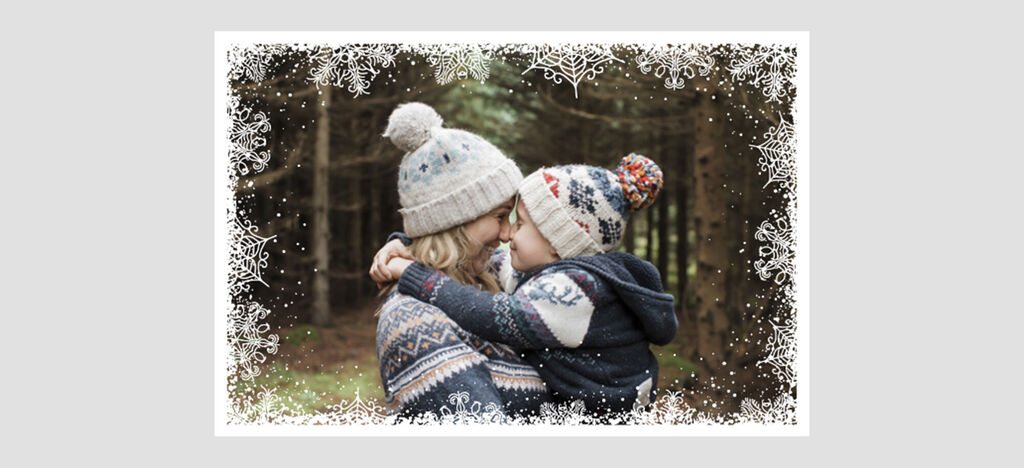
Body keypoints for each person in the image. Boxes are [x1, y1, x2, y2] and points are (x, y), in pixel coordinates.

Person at [382, 155, 679, 414]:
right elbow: (493, 264)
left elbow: (491, 314)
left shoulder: (577, 290)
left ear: (556, 241)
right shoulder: (546, 272)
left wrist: (415, 275)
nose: (509, 233)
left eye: (520, 223)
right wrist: (414, 245)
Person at [372, 102, 550, 420]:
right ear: (454, 222)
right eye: (499, 216)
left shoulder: (490, 276)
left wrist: (405, 244)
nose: (508, 234)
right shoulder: (412, 324)